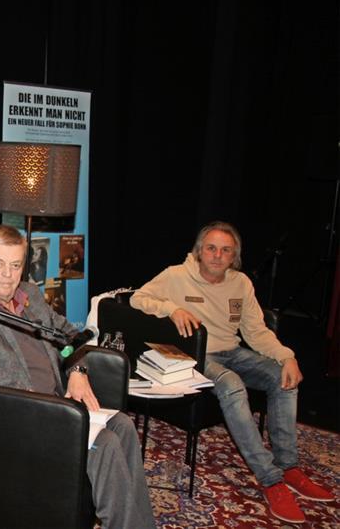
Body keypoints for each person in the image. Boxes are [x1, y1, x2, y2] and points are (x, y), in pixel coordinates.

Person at [0, 224, 156, 528]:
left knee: (122, 426)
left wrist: (77, 370)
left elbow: (69, 334)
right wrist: (36, 397)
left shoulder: (28, 293)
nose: (7, 275)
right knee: (104, 444)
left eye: (15, 265)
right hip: (19, 413)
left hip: (55, 403)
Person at [130, 221, 333, 524]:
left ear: (234, 256)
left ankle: (289, 466)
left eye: (225, 250)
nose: (217, 255)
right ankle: (270, 479)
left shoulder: (241, 284)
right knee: (232, 385)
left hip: (234, 351)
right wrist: (171, 309)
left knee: (283, 377)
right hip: (198, 354)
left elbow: (255, 330)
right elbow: (137, 298)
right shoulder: (177, 275)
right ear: (199, 251)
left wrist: (287, 357)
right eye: (211, 248)